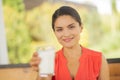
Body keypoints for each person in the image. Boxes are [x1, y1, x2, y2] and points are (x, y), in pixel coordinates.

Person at [30, 6, 109, 80]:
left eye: (71, 27)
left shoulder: (99, 59)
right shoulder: (49, 61)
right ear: (55, 33)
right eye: (60, 29)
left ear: (81, 27)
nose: (66, 34)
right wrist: (42, 74)